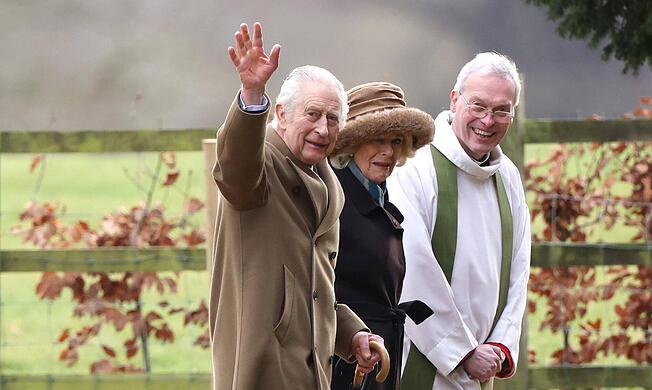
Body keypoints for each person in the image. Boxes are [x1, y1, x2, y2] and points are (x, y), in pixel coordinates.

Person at [208, 22, 385, 390]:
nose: (323, 128)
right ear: (282, 114)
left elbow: (313, 288)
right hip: (260, 368)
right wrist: (251, 95)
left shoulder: (326, 182)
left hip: (309, 371)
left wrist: (351, 334)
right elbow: (234, 170)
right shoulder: (261, 165)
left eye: (333, 119)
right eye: (313, 114)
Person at [387, 52, 531, 390]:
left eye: (501, 110)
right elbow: (409, 270)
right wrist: (463, 352)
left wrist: (499, 345)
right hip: (421, 358)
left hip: (483, 367)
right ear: (455, 100)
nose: (488, 120)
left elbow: (519, 271)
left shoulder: (508, 177)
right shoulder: (416, 168)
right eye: (478, 106)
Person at [327, 82, 435, 390]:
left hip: (377, 357)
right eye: (377, 138)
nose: (388, 151)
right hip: (345, 361)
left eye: (396, 140)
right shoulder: (334, 199)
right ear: (352, 142)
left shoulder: (378, 197)